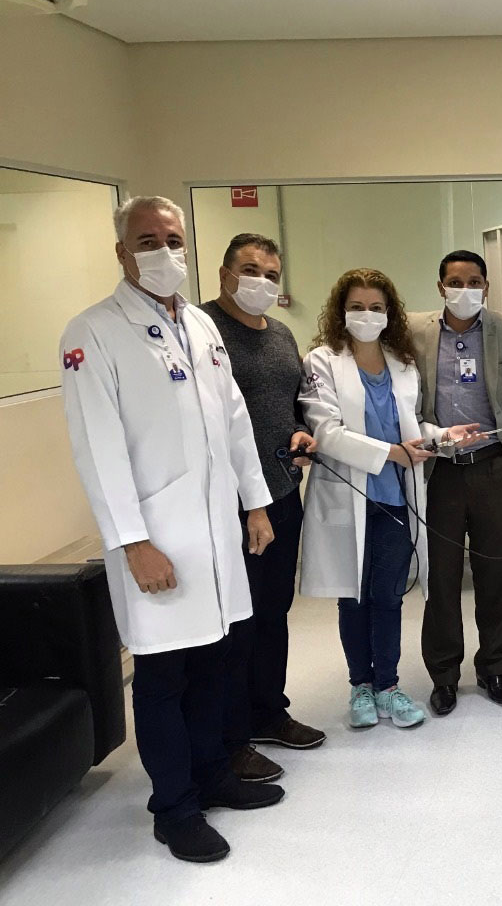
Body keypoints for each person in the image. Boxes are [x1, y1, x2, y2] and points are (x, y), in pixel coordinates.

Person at [60, 196, 284, 864]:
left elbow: (235, 421)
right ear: (122, 252)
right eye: (147, 241)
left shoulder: (201, 325)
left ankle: (213, 776)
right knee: (163, 678)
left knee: (215, 661)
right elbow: (97, 447)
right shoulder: (93, 332)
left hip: (215, 535)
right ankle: (175, 808)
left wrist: (256, 503)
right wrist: (133, 541)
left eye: (173, 239)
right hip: (157, 538)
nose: (164, 252)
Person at [297, 268, 481, 731]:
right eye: (357, 307)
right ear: (341, 311)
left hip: (395, 499)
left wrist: (444, 436)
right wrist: (392, 453)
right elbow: (326, 432)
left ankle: (388, 687)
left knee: (388, 597)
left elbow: (411, 427)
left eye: (376, 307)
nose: (367, 315)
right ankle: (360, 686)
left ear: (389, 313)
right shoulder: (322, 362)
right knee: (353, 597)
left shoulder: (401, 363)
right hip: (348, 497)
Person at [201, 233, 325, 786]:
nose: (262, 282)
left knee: (274, 612)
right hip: (229, 503)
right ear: (225, 273)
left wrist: (300, 433)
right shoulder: (203, 330)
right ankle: (231, 739)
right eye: (250, 270)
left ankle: (269, 712)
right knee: (237, 621)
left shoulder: (280, 334)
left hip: (281, 492)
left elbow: (291, 404)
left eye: (271, 274)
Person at [408, 250, 502, 715]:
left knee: (496, 574)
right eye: (455, 282)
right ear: (440, 287)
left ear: (486, 286)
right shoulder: (414, 332)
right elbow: (408, 399)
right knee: (442, 577)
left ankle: (493, 668)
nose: (465, 290)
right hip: (441, 471)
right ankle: (444, 676)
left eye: (474, 281)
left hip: (494, 467)